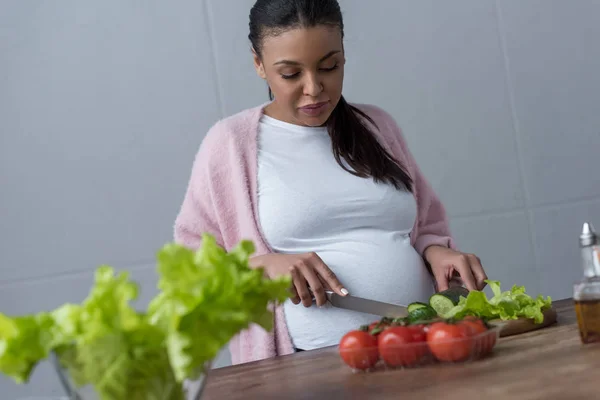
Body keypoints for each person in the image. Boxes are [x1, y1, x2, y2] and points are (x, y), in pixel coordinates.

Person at [174, 0, 488, 365]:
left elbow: (424, 227)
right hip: (308, 365)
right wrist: (259, 267)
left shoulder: (378, 126)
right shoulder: (230, 144)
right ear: (259, 64)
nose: (314, 89)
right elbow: (193, 270)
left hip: (420, 342)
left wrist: (438, 252)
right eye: (291, 74)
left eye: (329, 66)